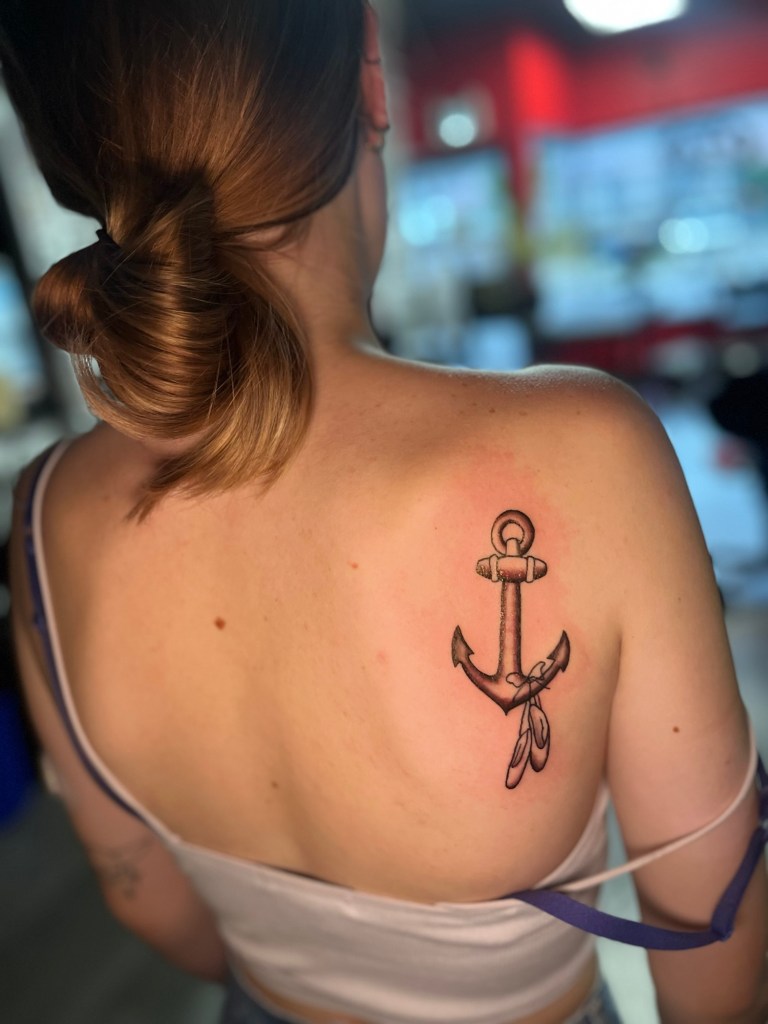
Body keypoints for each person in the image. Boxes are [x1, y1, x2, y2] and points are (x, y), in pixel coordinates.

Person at [3, 2, 767, 1022]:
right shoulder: (587, 452)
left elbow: (149, 901)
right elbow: (714, 942)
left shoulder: (43, 512)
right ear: (370, 72)